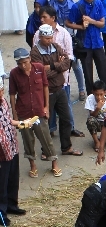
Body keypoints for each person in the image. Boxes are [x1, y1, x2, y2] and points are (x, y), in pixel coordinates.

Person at [13, 43, 66, 176]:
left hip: (38, 111)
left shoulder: (39, 68)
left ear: (29, 59)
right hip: (24, 112)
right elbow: (13, 95)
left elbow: (45, 87)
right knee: (28, 140)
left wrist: (46, 107)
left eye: (24, 62)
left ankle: (54, 163)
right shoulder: (14, 74)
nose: (23, 66)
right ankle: (32, 165)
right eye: (19, 63)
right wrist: (15, 116)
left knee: (46, 137)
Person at [36, 5, 83, 139]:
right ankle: (50, 134)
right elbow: (39, 69)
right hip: (46, 85)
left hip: (63, 80)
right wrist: (58, 65)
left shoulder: (63, 34)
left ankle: (70, 132)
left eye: (44, 17)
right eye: (41, 17)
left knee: (65, 110)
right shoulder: (36, 39)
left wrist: (51, 66)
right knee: (47, 110)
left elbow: (69, 59)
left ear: (53, 18)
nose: (42, 20)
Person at [65, 0, 106, 99]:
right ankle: (92, 98)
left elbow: (102, 24)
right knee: (88, 73)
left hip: (97, 42)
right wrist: (80, 26)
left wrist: (91, 21)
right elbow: (68, 23)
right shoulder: (77, 6)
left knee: (104, 72)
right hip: (85, 44)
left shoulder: (99, 4)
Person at [50, 0, 87, 101]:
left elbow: (76, 21)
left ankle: (81, 89)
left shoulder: (72, 6)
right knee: (59, 65)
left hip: (70, 38)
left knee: (75, 64)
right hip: (56, 39)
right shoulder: (51, 7)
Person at [0, 80, 25, 226]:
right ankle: (1, 212)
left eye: (2, 90)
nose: (2, 93)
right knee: (1, 183)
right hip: (1, 151)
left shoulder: (3, 102)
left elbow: (7, 120)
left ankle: (11, 204)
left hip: (11, 145)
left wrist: (20, 123)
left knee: (13, 177)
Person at [85, 79, 106, 150]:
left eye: (101, 94)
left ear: (105, 93)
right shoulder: (90, 99)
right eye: (96, 94)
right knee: (90, 120)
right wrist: (98, 108)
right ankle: (96, 142)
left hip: (105, 123)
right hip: (96, 121)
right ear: (93, 92)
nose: (99, 97)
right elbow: (92, 115)